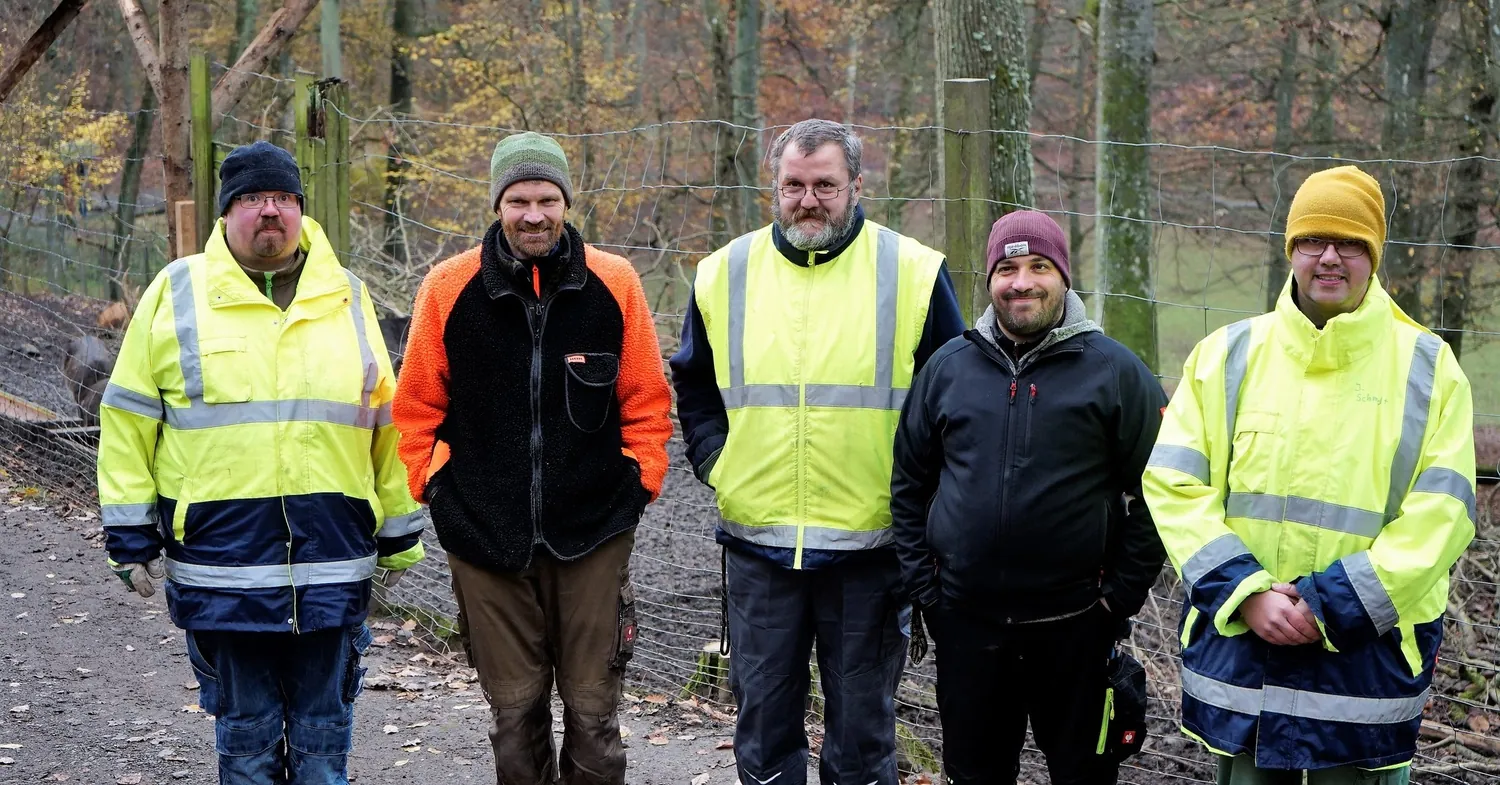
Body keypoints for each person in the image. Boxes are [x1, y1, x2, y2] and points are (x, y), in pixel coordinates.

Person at [97, 140, 426, 784]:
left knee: (324, 741)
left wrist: (398, 528)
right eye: (251, 198)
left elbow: (384, 420)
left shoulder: (346, 295)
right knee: (245, 743)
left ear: (301, 208)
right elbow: (129, 419)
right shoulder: (177, 292)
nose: (269, 211)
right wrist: (130, 533)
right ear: (226, 213)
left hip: (331, 562)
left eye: (282, 198)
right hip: (224, 567)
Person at [1143, 165, 1476, 783]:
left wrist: (1331, 606)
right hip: (1246, 660)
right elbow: (1174, 484)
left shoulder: (1430, 369)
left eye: (1349, 243)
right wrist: (1247, 593)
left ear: (1374, 256)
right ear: (1290, 249)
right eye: (1312, 240)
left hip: (1363, 669)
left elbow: (1444, 513)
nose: (1329, 257)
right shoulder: (1226, 355)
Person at [669, 118, 966, 785]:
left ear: (857, 186)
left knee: (861, 739)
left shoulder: (913, 271)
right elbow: (693, 382)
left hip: (872, 548)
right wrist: (718, 463)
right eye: (794, 186)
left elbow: (955, 398)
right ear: (774, 188)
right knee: (763, 732)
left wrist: (920, 500)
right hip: (759, 546)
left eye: (825, 185)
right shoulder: (723, 272)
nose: (809, 200)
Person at [392, 131, 673, 785]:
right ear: (497, 204)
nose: (534, 215)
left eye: (547, 199)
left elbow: (647, 402)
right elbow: (415, 409)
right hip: (484, 535)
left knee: (594, 716)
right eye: (518, 200)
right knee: (515, 717)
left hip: (595, 530)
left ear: (566, 202)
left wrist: (640, 482)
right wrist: (437, 489)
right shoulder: (448, 288)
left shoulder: (615, 283)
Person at [890, 210, 1166, 784]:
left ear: (1063, 275)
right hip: (967, 627)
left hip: (1077, 626)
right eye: (1007, 269)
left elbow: (1161, 489)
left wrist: (1118, 598)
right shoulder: (948, 368)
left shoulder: (1116, 371)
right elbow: (909, 482)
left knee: (1083, 777)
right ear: (990, 280)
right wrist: (927, 589)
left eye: (1039, 267)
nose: (1022, 283)